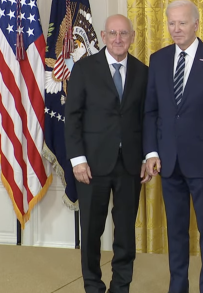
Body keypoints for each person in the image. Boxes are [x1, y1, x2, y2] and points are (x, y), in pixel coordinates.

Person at [143, 0, 203, 292]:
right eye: (172, 23)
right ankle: (178, 286)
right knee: (176, 232)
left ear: (196, 24)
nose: (176, 29)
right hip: (169, 163)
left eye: (182, 23)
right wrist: (152, 152)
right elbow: (151, 112)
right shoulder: (157, 60)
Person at [64, 14, 151, 293]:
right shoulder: (84, 69)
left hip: (130, 166)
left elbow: (147, 119)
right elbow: (73, 117)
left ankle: (120, 286)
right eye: (112, 33)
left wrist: (149, 156)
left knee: (125, 233)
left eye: (123, 33)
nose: (118, 39)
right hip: (91, 165)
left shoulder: (143, 72)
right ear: (103, 36)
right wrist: (77, 160)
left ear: (132, 37)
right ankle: (92, 285)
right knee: (91, 232)